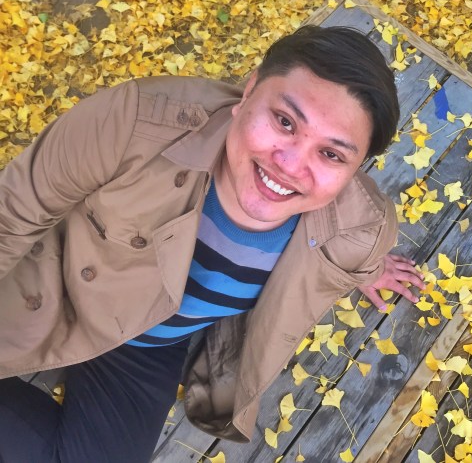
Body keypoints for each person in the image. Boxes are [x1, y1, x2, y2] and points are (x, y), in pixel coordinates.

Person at [0, 25, 425, 462]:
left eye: (331, 154)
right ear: (250, 91)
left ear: (354, 171)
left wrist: (369, 270)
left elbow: (356, 251)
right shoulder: (133, 120)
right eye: (284, 122)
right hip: (55, 288)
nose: (289, 165)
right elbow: (12, 210)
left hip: (148, 345)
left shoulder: (361, 231)